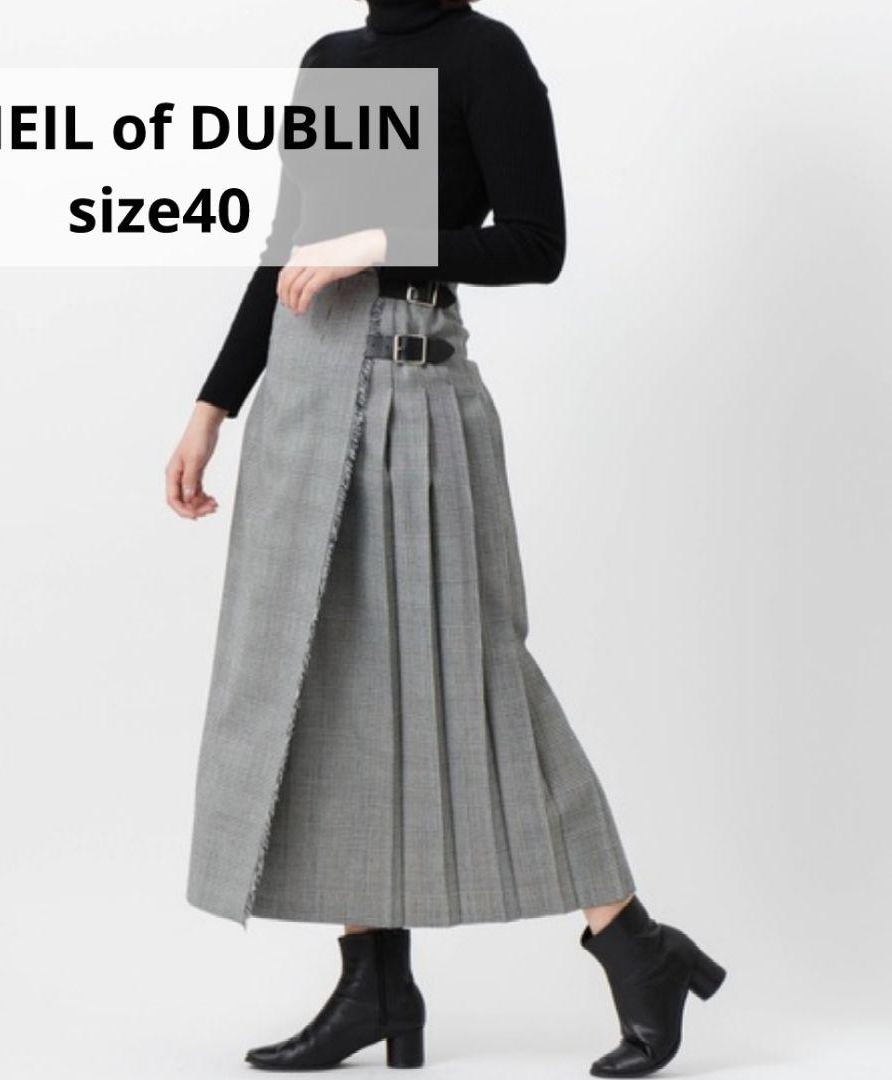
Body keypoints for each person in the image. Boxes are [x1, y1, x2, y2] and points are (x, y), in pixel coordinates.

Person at [166, 2, 726, 1075]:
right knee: (319, 677)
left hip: (414, 393)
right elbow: (286, 251)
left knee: (478, 670)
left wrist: (384, 242)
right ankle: (373, 986)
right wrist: (213, 405)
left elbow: (536, 243)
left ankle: (634, 943)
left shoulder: (483, 54)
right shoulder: (332, 59)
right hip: (301, 393)